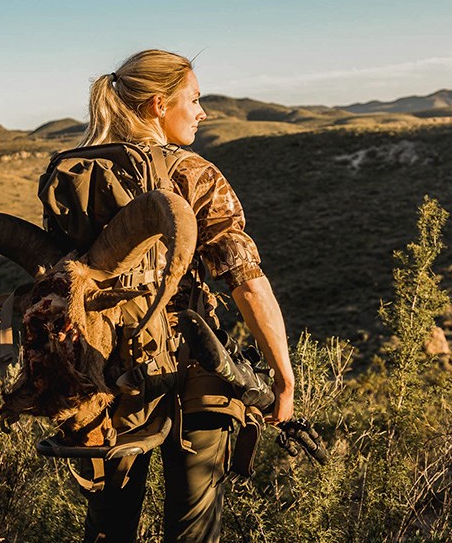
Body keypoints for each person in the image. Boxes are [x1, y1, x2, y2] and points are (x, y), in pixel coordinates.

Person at [76, 49, 295, 543]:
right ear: (158, 105)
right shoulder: (192, 173)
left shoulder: (76, 172)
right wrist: (283, 375)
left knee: (109, 528)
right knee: (192, 530)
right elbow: (247, 281)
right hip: (190, 370)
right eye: (194, 100)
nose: (202, 112)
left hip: (103, 376)